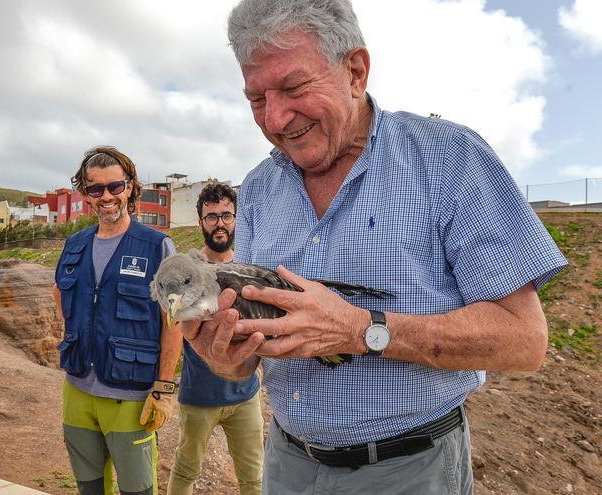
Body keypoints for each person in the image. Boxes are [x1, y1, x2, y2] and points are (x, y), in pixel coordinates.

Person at [180, 1, 568, 494]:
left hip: (409, 471)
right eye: (256, 98)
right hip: (286, 463)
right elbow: (243, 364)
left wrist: (362, 330)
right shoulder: (256, 190)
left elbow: (525, 342)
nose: (275, 118)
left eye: (295, 87)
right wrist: (223, 353)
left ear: (356, 71)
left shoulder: (450, 159)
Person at [54, 146, 180, 495]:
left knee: (137, 489)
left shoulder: (157, 246)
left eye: (115, 186)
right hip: (78, 389)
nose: (107, 196)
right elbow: (60, 296)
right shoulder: (75, 245)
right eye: (96, 189)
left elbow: (174, 322)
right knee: (89, 488)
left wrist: (164, 388)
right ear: (86, 195)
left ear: (130, 187)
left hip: (131, 394)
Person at [168, 182, 264, 495]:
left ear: (236, 219)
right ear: (200, 222)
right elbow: (169, 328)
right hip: (199, 396)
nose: (220, 223)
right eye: (211, 217)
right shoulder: (186, 272)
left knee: (254, 479)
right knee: (185, 472)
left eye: (226, 215)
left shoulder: (250, 270)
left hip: (245, 396)